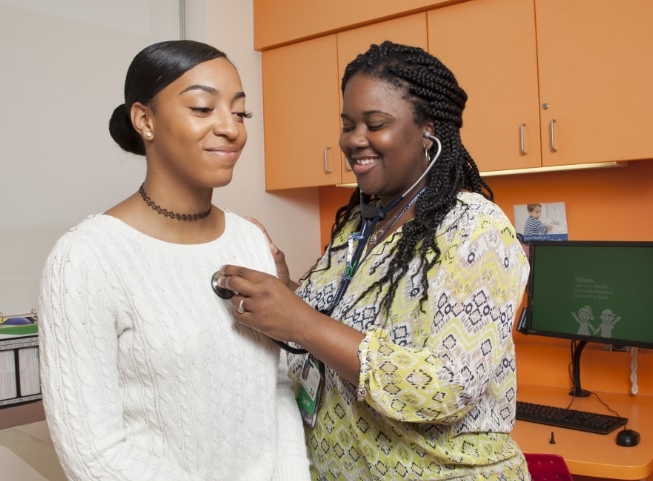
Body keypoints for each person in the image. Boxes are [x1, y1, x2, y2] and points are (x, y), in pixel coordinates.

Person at [218, 41, 531, 480]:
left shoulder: (475, 229)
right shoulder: (359, 225)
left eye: (375, 123)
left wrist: (299, 321)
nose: (353, 140)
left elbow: (445, 386)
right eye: (347, 125)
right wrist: (284, 289)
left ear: (429, 131)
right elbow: (330, 331)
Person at [37, 40, 310, 481]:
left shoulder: (250, 240)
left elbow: (275, 388)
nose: (231, 128)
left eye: (240, 113)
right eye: (203, 108)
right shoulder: (85, 259)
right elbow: (94, 455)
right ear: (145, 120)